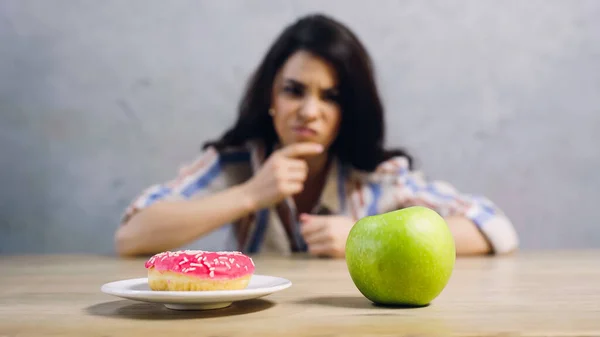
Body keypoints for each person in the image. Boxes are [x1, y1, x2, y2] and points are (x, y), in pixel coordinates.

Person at [115, 14, 518, 258]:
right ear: (270, 96)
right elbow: (132, 235)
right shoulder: (237, 162)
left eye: (331, 97)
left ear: (349, 111)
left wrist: (364, 239)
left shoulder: (374, 175)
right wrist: (251, 194)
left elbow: (494, 227)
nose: (309, 111)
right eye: (295, 90)